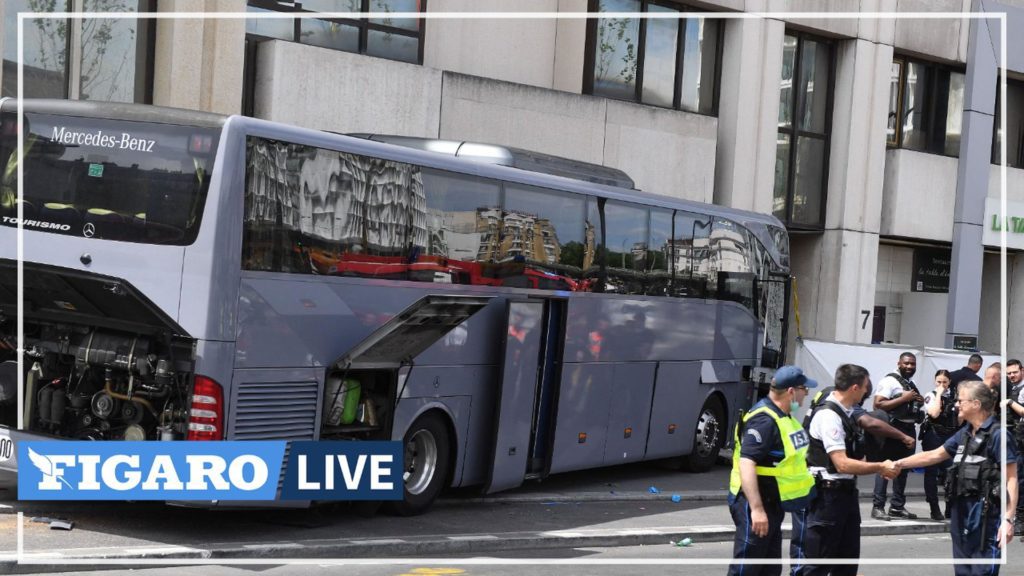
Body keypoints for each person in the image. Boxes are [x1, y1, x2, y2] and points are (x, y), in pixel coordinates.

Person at [892, 380, 1018, 576]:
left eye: (961, 400)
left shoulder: (998, 435)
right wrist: (898, 464)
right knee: (963, 571)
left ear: (976, 404)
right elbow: (933, 455)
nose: (957, 404)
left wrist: (1008, 519)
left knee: (982, 571)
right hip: (961, 511)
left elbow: (1011, 479)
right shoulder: (965, 434)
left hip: (985, 515)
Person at [791, 364, 899, 576]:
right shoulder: (829, 415)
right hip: (827, 496)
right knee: (818, 563)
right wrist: (880, 466)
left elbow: (855, 455)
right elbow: (841, 463)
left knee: (846, 562)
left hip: (845, 493)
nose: (868, 391)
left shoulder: (846, 412)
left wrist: (876, 466)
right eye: (866, 386)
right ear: (855, 388)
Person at [727, 366, 816, 576]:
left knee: (768, 569)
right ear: (792, 391)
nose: (807, 394)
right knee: (746, 568)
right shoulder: (764, 419)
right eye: (804, 388)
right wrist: (757, 509)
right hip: (755, 503)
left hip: (773, 504)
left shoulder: (785, 417)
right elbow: (747, 463)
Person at [871, 352, 924, 520]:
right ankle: (878, 507)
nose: (909, 367)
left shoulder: (911, 383)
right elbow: (878, 404)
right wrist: (904, 398)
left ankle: (897, 506)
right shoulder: (889, 381)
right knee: (886, 467)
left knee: (904, 468)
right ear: (899, 363)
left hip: (909, 428)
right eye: (906, 363)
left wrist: (917, 401)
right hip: (893, 428)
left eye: (912, 364)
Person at [921, 369, 961, 520]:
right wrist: (938, 393)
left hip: (950, 436)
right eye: (939, 382)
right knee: (931, 473)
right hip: (934, 436)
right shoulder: (930, 395)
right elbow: (934, 413)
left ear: (950, 382)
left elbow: (960, 420)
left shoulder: (955, 397)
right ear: (934, 381)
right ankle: (934, 507)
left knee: (952, 472)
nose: (942, 385)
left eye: (945, 382)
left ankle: (950, 506)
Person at [1000, 358, 1024, 534]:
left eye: (1014, 372)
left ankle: (1021, 519)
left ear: (1022, 370)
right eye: (1009, 373)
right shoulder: (1011, 388)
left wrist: (1009, 402)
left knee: (1020, 479)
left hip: (1021, 440)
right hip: (1014, 438)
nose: (1012, 376)